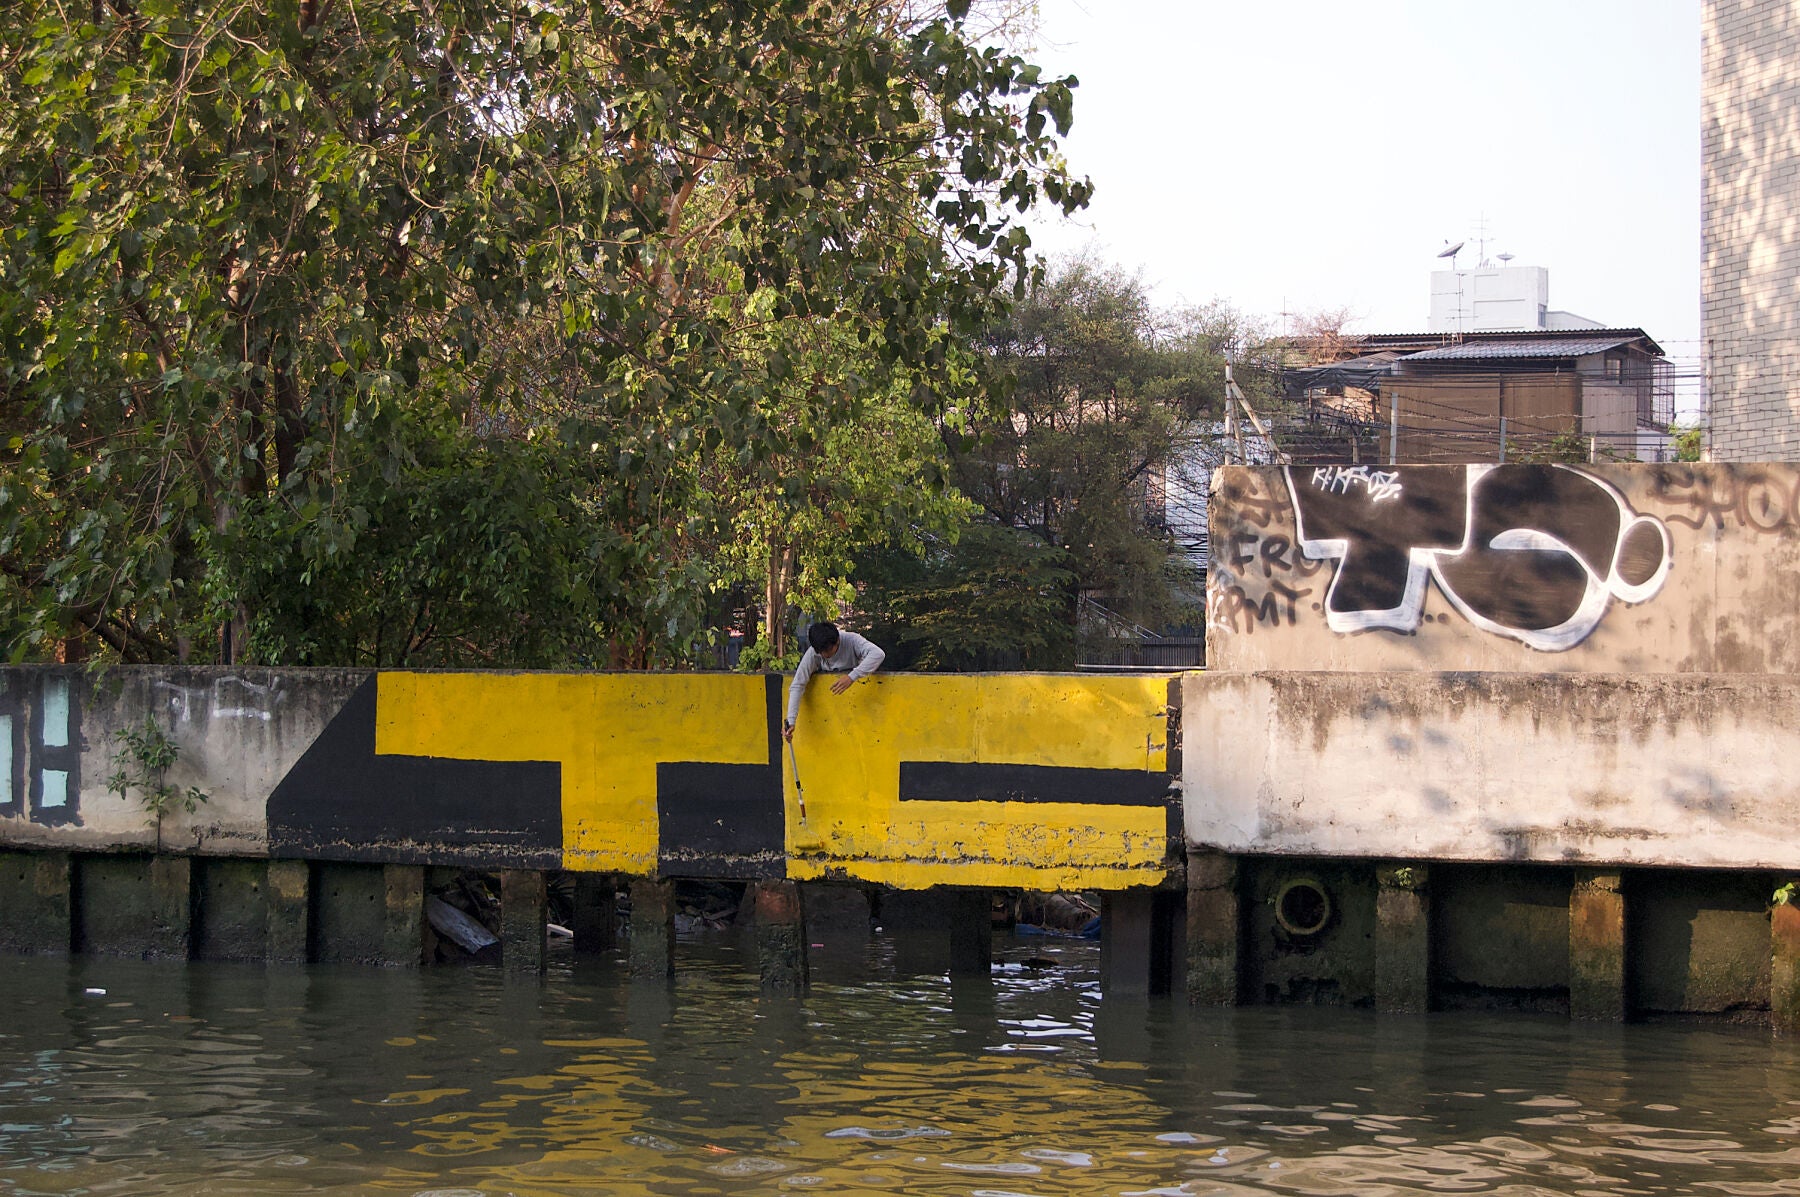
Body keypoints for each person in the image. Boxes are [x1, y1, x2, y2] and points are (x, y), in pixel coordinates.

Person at [782, 621, 884, 741]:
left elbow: (878, 654)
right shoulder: (814, 653)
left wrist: (852, 677)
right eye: (821, 652)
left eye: (829, 650)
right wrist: (791, 721)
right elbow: (798, 685)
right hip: (832, 718)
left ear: (838, 641)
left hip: (861, 712)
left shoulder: (852, 640)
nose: (825, 654)